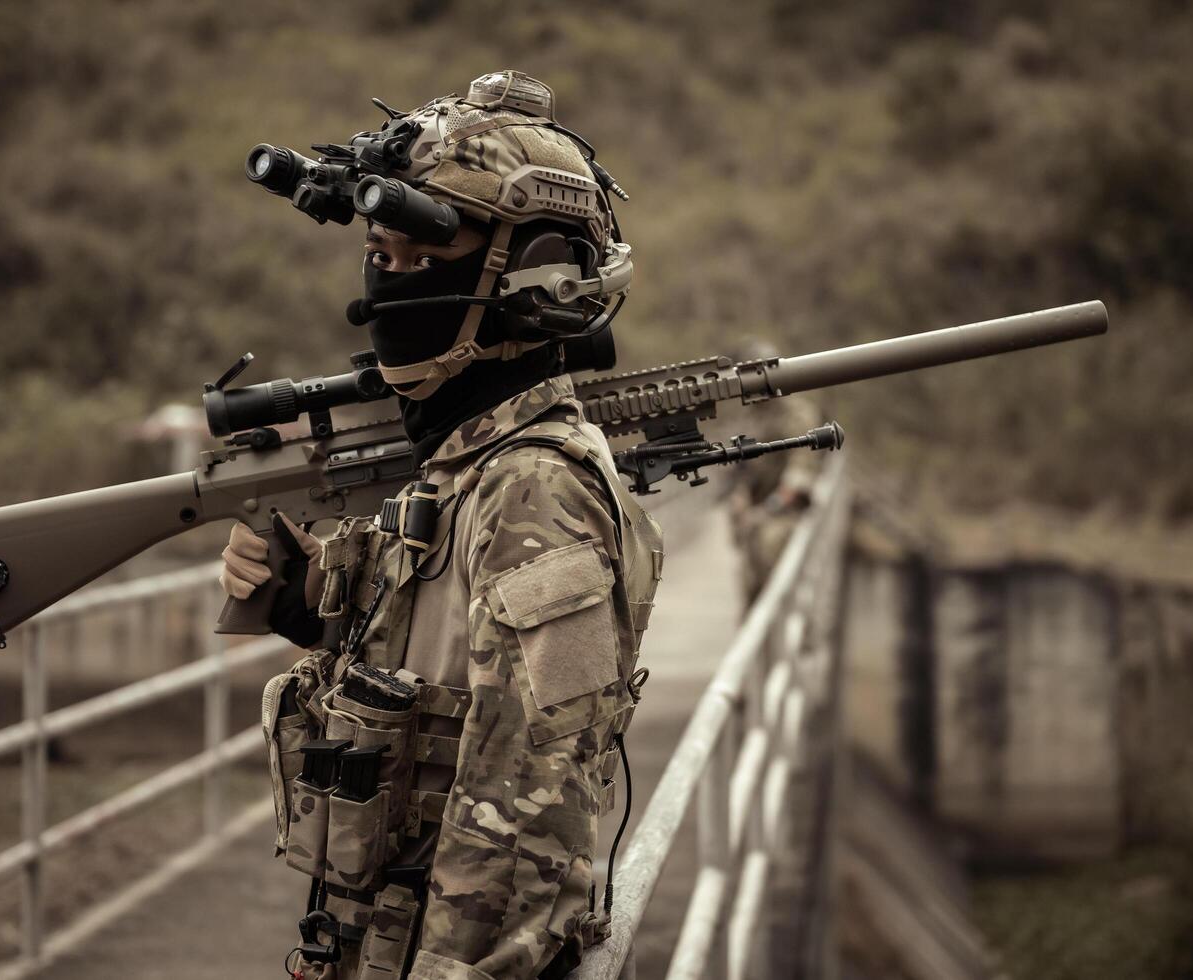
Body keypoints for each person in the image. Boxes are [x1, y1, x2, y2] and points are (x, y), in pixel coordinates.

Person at [219, 71, 663, 980]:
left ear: (533, 278)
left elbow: (522, 826)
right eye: (378, 256)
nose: (388, 286)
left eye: (422, 261)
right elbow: (440, 682)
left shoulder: (533, 485)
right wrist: (311, 601)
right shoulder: (466, 459)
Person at [725, 339, 823, 605]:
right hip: (757, 510)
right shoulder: (754, 414)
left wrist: (770, 508)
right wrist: (740, 496)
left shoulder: (797, 414)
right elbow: (743, 466)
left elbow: (800, 470)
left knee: (773, 556)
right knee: (751, 589)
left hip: (785, 511)